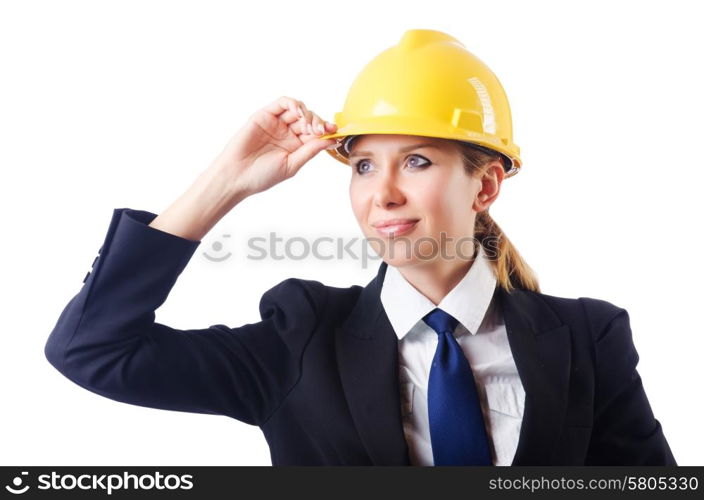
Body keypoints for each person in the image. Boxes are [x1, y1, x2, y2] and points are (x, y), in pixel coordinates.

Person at [44, 29, 676, 466]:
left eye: (418, 161)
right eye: (365, 166)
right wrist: (225, 184)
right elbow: (92, 350)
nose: (385, 194)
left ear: (485, 184)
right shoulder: (302, 334)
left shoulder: (588, 337)